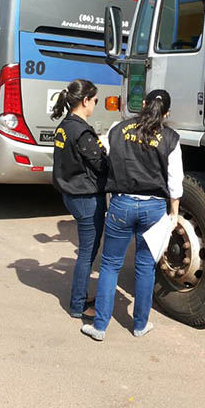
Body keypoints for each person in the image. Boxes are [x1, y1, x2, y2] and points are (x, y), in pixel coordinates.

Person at [81, 89, 183, 341]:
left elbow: (101, 150)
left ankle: (100, 326)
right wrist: (174, 214)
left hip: (121, 204)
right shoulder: (170, 138)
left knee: (110, 264)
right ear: (167, 113)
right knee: (146, 267)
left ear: (144, 104)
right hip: (154, 208)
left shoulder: (119, 128)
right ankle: (140, 325)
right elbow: (175, 181)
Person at [51, 79, 108, 320]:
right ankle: (78, 305)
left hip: (70, 193)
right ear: (85, 101)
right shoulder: (81, 131)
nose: (96, 104)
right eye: (95, 100)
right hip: (85, 197)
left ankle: (80, 298)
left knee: (87, 250)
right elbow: (100, 164)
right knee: (87, 252)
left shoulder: (64, 126)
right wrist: (106, 148)